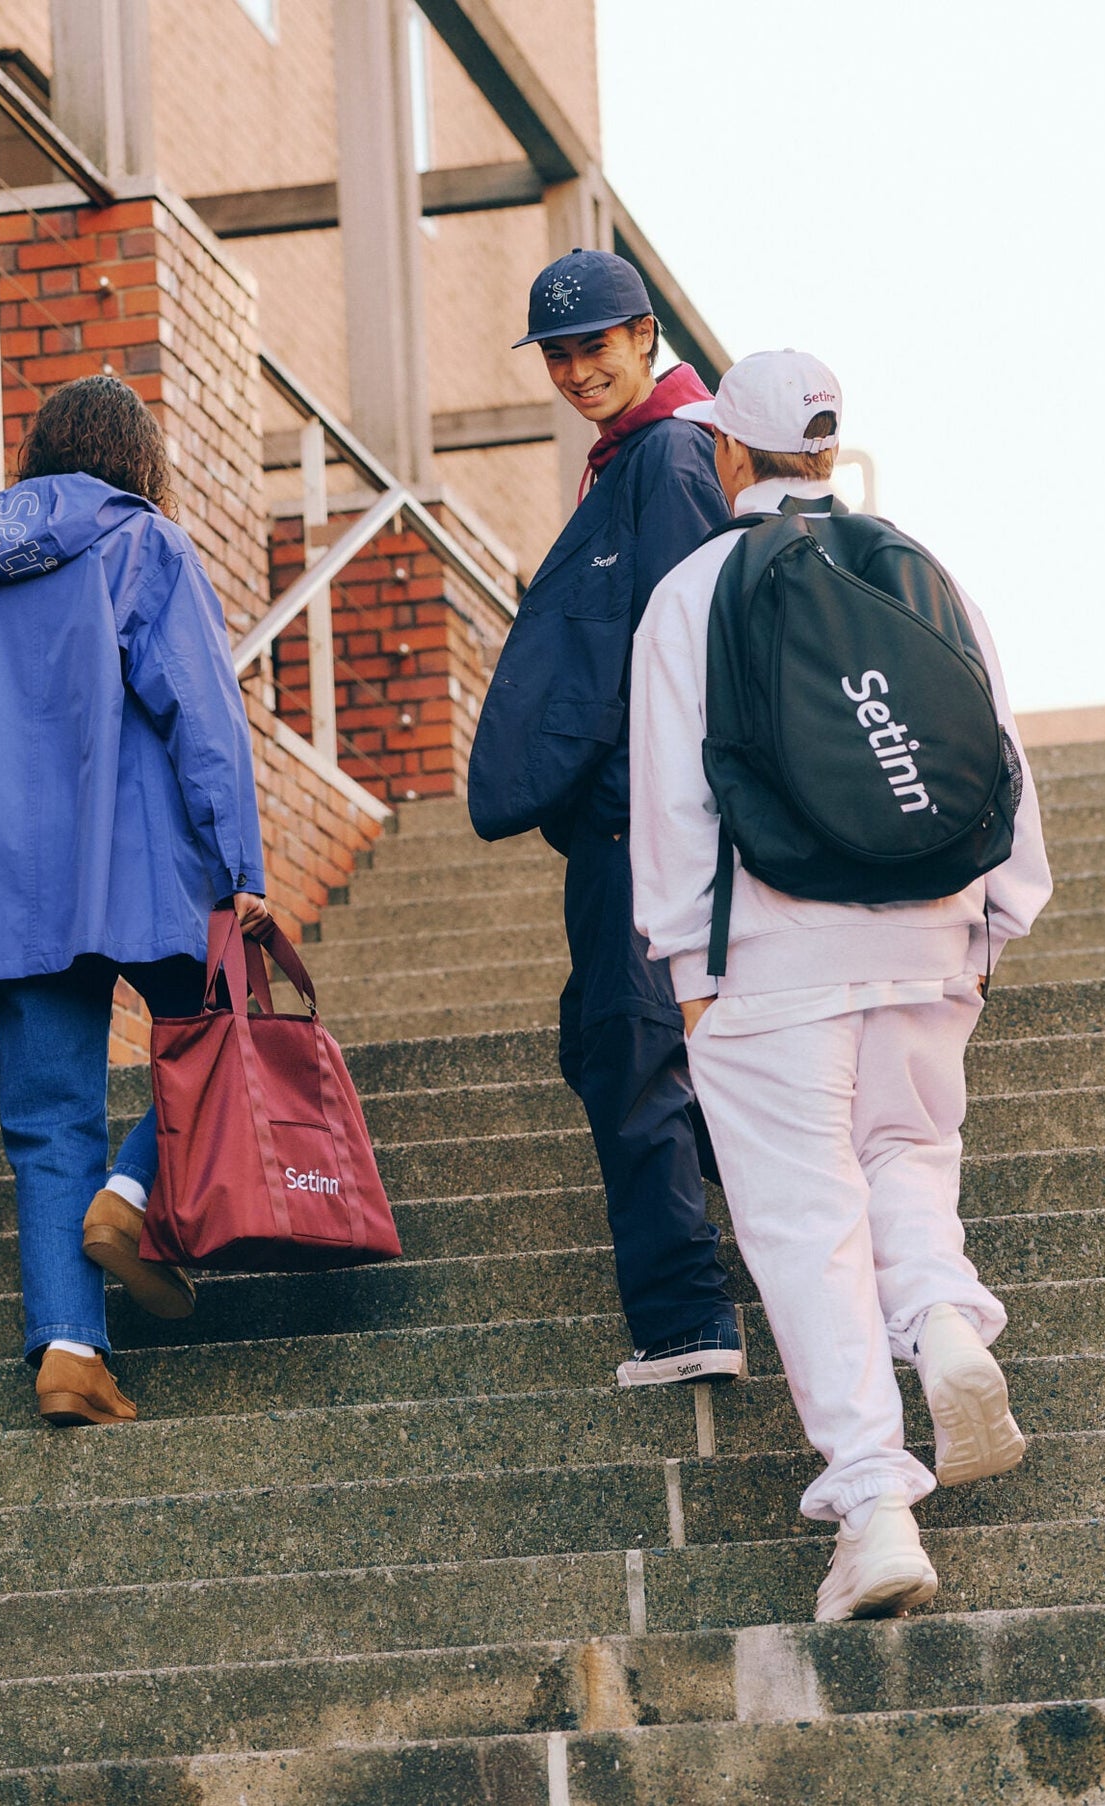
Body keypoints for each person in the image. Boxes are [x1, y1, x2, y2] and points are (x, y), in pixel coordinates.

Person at [629, 349, 1053, 1619]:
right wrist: (995, 913)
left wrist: (686, 968)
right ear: (824, 447)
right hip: (931, 928)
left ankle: (872, 1504)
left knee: (802, 1214)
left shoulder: (692, 592)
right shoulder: (918, 567)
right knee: (905, 1152)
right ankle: (939, 1321)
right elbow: (995, 747)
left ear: (726, 453)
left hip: (770, 950)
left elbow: (673, 797)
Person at [0, 375, 269, 1428]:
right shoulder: (146, 544)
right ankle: (131, 1194)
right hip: (138, 863)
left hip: (7, 882)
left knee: (44, 1122)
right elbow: (200, 711)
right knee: (219, 1035)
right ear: (137, 460)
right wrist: (238, 863)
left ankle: (69, 1351)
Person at [468, 248, 740, 1387]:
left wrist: (650, 808)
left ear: (643, 339)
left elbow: (688, 649)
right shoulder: (636, 452)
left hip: (648, 820)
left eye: (595, 348)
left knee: (628, 1051)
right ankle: (798, 1226)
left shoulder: (668, 451)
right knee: (602, 1040)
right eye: (558, 356)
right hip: (631, 817)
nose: (577, 371)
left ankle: (686, 1321)